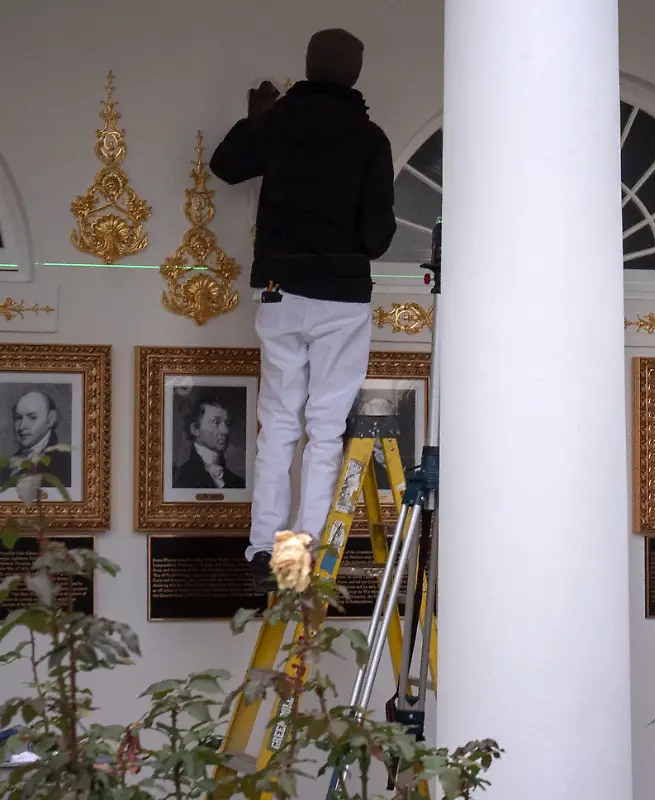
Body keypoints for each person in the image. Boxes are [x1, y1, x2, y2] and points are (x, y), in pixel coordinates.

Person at [209, 28, 398, 592]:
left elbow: (225, 164)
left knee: (278, 425)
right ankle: (297, 556)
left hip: (280, 290)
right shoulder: (369, 139)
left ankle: (263, 549)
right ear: (355, 75)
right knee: (325, 429)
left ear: (309, 67)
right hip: (341, 297)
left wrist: (258, 116)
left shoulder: (279, 123)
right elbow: (378, 237)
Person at [173, 393, 245, 489]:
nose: (225, 431)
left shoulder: (239, 483)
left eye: (227, 423)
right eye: (216, 422)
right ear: (195, 429)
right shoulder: (179, 479)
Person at [6, 390, 71, 488]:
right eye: (18, 418)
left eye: (32, 418)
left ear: (50, 419)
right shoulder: (8, 465)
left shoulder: (64, 464)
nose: (21, 426)